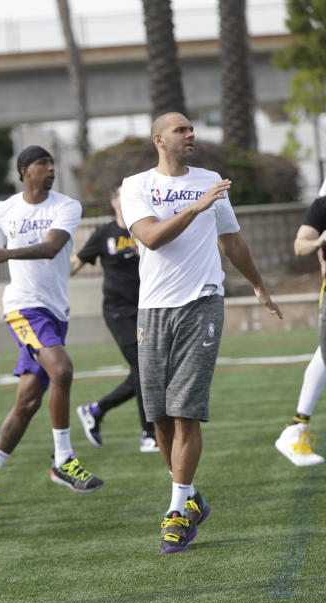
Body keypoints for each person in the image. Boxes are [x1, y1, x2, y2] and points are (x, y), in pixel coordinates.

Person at [120, 111, 282, 553]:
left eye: (191, 129)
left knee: (185, 410)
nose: (190, 134)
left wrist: (258, 284)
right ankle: (190, 498)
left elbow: (230, 240)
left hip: (202, 303)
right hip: (152, 310)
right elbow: (151, 237)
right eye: (180, 130)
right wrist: (197, 206)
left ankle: (175, 513)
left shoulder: (210, 179)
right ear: (159, 139)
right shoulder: (136, 186)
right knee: (158, 419)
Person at [0, 145, 101, 521]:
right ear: (24, 172)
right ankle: (64, 459)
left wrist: (7, 255)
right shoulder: (4, 210)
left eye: (52, 164)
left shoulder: (67, 206)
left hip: (55, 311)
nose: (50, 169)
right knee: (62, 370)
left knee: (28, 403)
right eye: (42, 164)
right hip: (22, 307)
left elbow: (53, 248)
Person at [71, 185, 158, 453]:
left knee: (147, 370)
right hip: (119, 311)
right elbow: (76, 263)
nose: (128, 198)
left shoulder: (143, 228)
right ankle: (149, 434)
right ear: (113, 201)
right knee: (145, 368)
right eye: (122, 194)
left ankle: (96, 410)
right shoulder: (105, 234)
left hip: (147, 308)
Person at [276, 195, 326, 465]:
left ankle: (298, 428)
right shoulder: (323, 205)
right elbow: (300, 245)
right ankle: (297, 428)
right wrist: (319, 242)